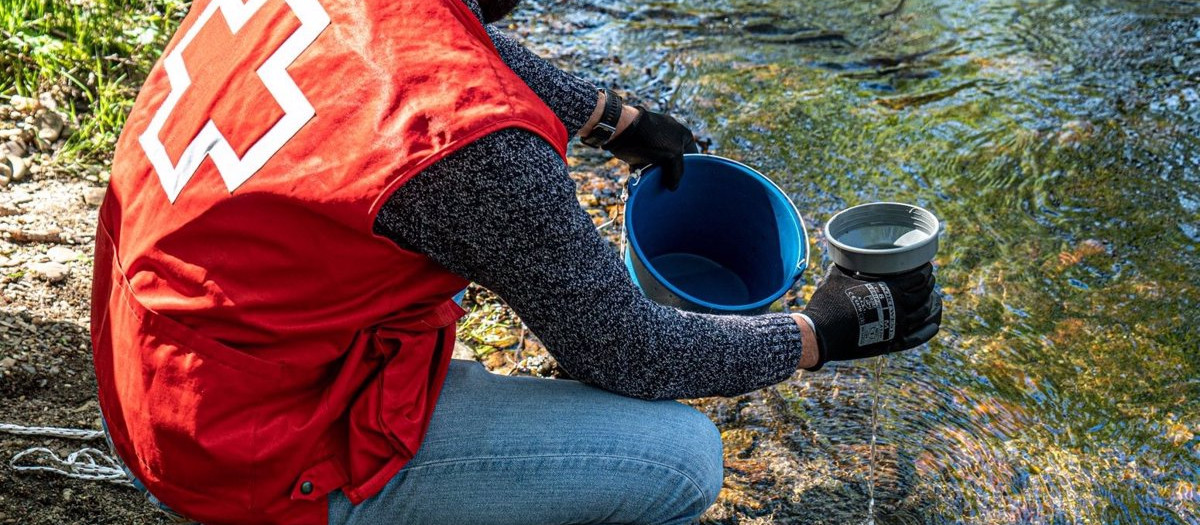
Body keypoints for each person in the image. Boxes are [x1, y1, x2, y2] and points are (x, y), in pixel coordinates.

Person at [91, 0, 942, 524]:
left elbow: (439, 39)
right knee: (681, 457)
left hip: (151, 375)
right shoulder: (478, 153)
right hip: (243, 453)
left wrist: (611, 116)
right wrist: (820, 332)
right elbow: (628, 350)